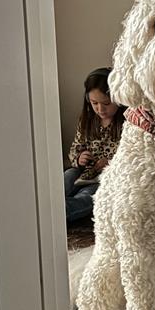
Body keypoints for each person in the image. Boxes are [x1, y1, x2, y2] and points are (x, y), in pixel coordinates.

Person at [64, 67, 124, 224]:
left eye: (106, 103)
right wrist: (79, 159)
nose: (100, 109)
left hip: (104, 180)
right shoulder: (88, 120)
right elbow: (74, 150)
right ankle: (43, 205)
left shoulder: (127, 123)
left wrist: (111, 164)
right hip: (81, 172)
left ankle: (60, 212)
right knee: (66, 178)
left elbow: (132, 158)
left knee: (88, 197)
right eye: (94, 103)